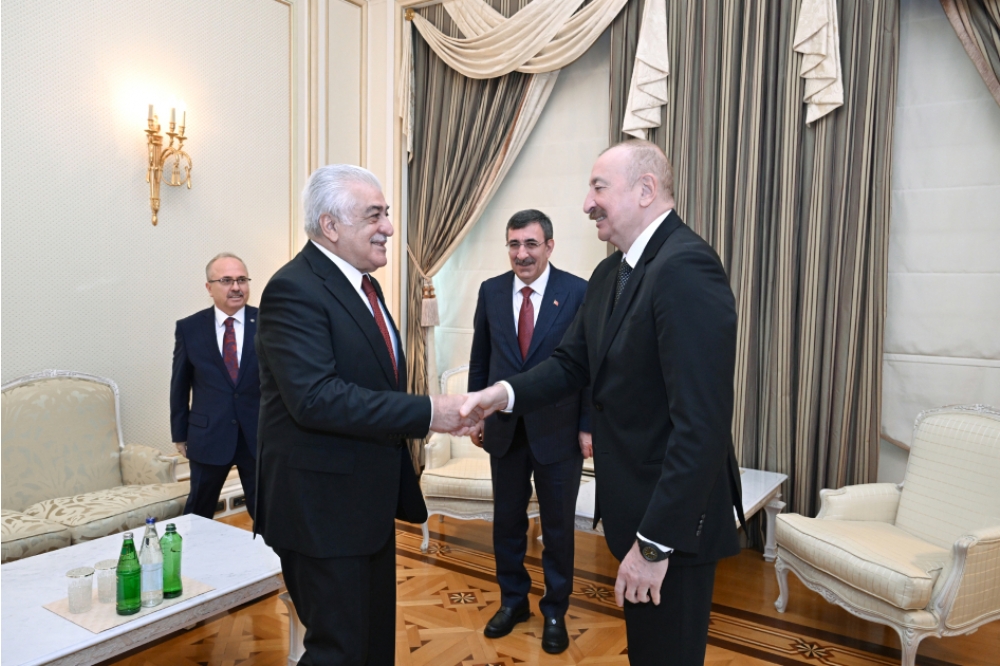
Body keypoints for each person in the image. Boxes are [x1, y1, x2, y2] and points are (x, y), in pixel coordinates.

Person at [460, 140, 746, 665]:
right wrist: (500, 395)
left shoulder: (686, 266)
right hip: (636, 513)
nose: (587, 203)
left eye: (598, 187)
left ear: (645, 190)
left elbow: (701, 425)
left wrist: (654, 545)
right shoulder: (610, 274)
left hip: (672, 525)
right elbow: (570, 365)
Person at [254, 164, 481, 666]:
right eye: (374, 215)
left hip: (364, 507)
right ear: (330, 226)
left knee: (373, 645)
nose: (389, 228)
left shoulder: (364, 286)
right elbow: (316, 398)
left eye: (387, 213)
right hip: (321, 510)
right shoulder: (293, 289)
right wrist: (429, 411)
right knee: (340, 651)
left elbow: (372, 384)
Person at [468, 209, 590, 654]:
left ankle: (555, 610)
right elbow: (481, 358)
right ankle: (513, 601)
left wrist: (587, 426)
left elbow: (589, 367)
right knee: (507, 523)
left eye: (531, 244)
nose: (521, 254)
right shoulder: (491, 291)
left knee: (557, 529)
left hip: (558, 432)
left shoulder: (577, 292)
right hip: (504, 430)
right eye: (514, 244)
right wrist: (476, 413)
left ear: (549, 246)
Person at [171, 253, 260, 520]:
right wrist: (180, 434)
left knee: (267, 514)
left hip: (259, 435)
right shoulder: (189, 328)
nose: (236, 287)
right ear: (209, 287)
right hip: (208, 435)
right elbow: (180, 384)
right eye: (226, 280)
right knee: (198, 512)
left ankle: (269, 551)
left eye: (242, 280)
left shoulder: (269, 323)